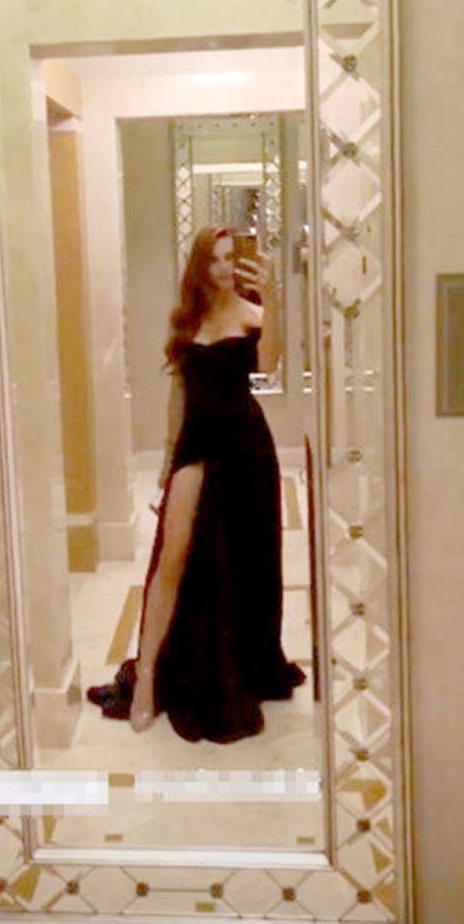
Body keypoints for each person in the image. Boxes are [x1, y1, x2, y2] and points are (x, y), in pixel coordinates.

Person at [87, 226, 305, 743]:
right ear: (201, 265)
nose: (225, 267)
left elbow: (269, 363)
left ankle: (238, 663)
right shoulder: (188, 319)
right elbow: (179, 393)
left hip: (245, 448)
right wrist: (167, 461)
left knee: (242, 561)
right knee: (171, 558)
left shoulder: (254, 314)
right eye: (216, 259)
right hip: (196, 445)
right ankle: (147, 679)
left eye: (232, 258)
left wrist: (273, 298)